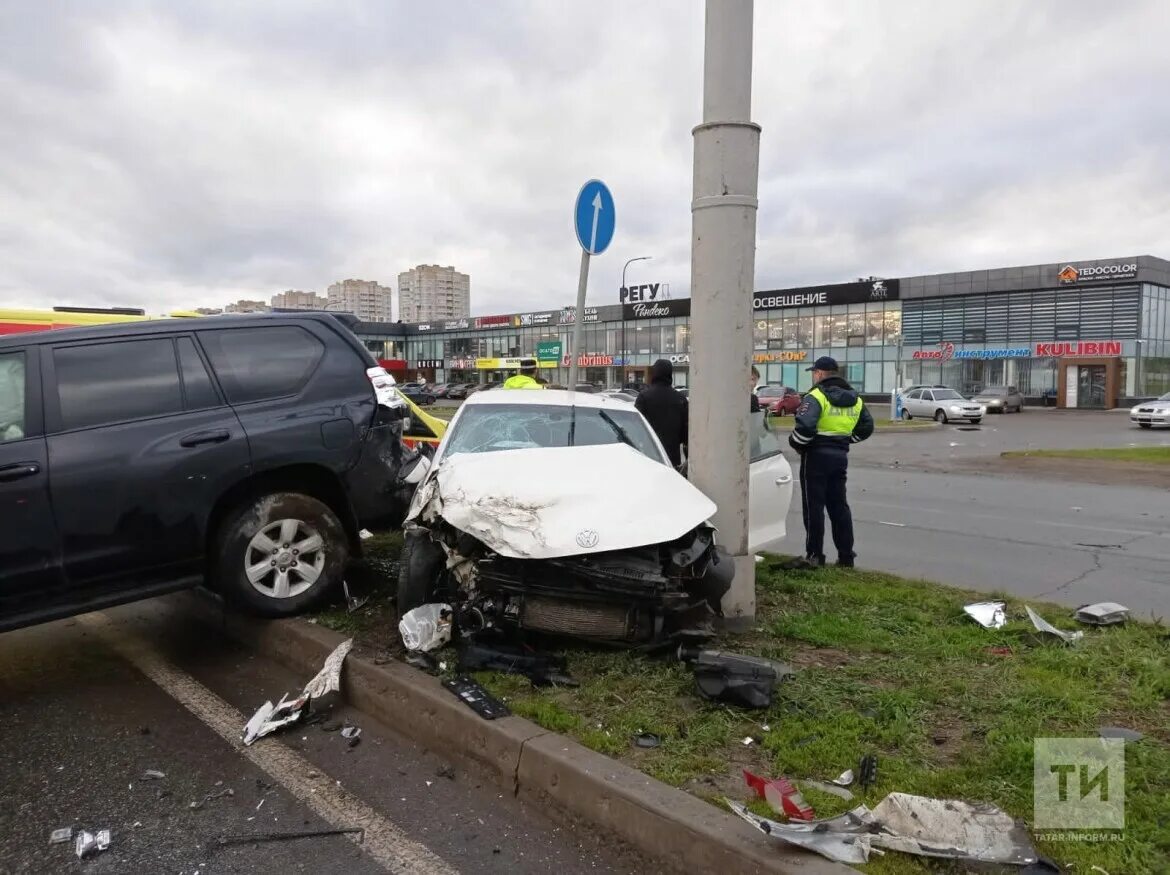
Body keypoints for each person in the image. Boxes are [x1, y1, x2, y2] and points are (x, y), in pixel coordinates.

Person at [786, 356, 874, 568]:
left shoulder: (816, 395)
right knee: (839, 507)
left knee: (813, 508)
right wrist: (843, 441)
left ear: (818, 374)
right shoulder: (856, 399)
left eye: (813, 373)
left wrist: (797, 444)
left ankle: (814, 555)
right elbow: (866, 427)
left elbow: (805, 428)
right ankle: (846, 557)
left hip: (815, 457)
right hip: (839, 457)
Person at [635, 358, 688, 468]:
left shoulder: (644, 397)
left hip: (648, 456)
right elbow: (686, 433)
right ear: (670, 374)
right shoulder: (681, 399)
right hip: (672, 458)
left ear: (654, 373)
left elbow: (636, 428)